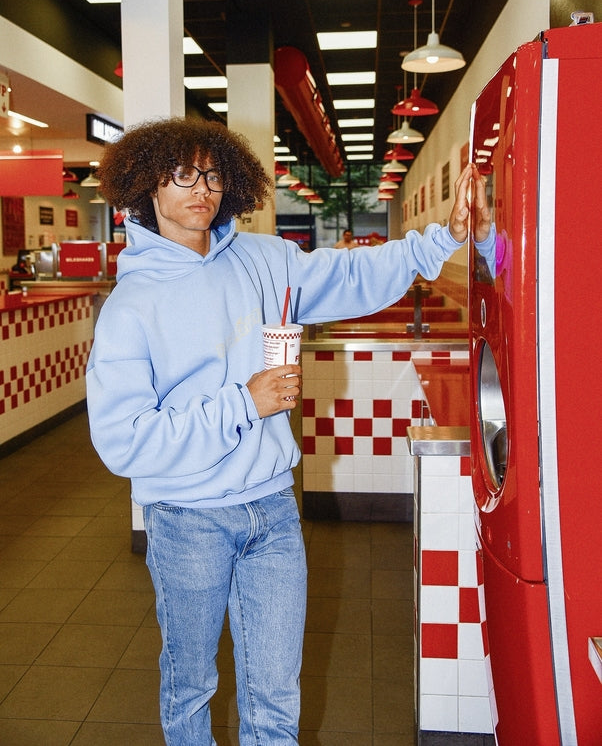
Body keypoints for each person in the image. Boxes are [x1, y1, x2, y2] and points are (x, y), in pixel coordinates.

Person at [86, 117, 494, 746]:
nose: (203, 188)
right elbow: (123, 440)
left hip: (273, 509)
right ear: (147, 189)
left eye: (213, 173)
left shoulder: (263, 259)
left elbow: (351, 278)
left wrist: (441, 239)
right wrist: (243, 404)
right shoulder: (129, 305)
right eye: (183, 175)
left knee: (276, 696)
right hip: (187, 519)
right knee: (190, 688)